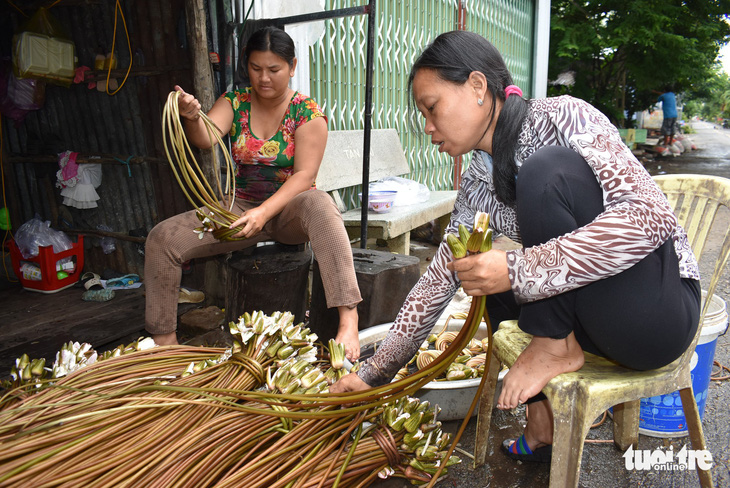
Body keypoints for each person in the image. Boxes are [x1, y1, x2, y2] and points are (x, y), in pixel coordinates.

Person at [331, 30, 700, 464]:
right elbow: (436, 283)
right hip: (595, 322)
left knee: (544, 176)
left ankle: (552, 344)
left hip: (656, 316)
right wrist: (374, 375)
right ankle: (542, 422)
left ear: (477, 86)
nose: (428, 127)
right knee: (481, 274)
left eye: (432, 108)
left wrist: (519, 268)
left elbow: (652, 219)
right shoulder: (475, 184)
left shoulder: (564, 117)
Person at [145, 26, 362, 360]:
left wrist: (264, 213)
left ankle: (348, 319)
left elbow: (305, 176)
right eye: (256, 68)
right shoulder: (235, 101)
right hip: (239, 209)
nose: (264, 78)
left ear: (291, 67)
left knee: (321, 203)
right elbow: (205, 137)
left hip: (291, 210)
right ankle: (164, 344)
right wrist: (190, 116)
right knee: (162, 240)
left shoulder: (307, 112)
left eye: (274, 70)